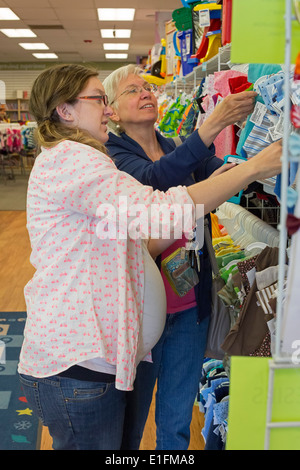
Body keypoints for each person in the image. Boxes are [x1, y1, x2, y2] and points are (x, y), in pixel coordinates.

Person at [18, 63, 282, 451]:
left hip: (91, 358)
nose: (107, 110)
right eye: (99, 100)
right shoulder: (73, 161)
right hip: (79, 362)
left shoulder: (80, 159)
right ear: (65, 109)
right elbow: (160, 209)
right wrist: (254, 167)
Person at [102, 64, 273, 450]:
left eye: (147, 87)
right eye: (133, 90)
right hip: (141, 307)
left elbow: (223, 177)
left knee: (177, 421)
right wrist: (211, 127)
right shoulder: (113, 157)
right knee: (130, 423)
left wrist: (257, 163)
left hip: (189, 303)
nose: (146, 93)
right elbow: (156, 179)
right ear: (111, 109)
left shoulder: (177, 145)